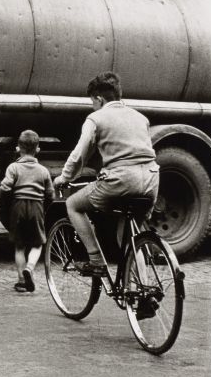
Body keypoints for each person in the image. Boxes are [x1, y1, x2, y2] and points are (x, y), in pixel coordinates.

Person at [53, 72, 159, 277]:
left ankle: (96, 261)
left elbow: (79, 155)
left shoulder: (96, 118)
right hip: (152, 180)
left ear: (98, 99)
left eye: (92, 101)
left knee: (73, 204)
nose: (92, 105)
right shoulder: (141, 118)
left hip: (122, 180)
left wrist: (64, 178)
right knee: (129, 237)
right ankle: (144, 291)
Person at [0, 130, 54, 293]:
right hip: (37, 206)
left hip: (18, 206)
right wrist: (44, 207)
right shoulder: (43, 170)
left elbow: (5, 186)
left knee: (19, 246)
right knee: (37, 244)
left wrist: (1, 201)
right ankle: (30, 268)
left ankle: (21, 281)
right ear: (37, 149)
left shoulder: (13, 167)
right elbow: (50, 193)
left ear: (18, 148)